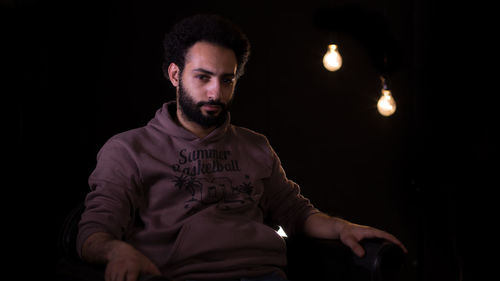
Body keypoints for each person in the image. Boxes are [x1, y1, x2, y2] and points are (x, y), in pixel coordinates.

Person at [77, 14, 407, 281]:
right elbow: (95, 231)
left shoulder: (255, 146)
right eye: (203, 77)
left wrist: (343, 228)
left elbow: (295, 212)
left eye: (227, 80)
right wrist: (116, 251)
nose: (215, 93)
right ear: (175, 74)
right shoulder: (128, 150)